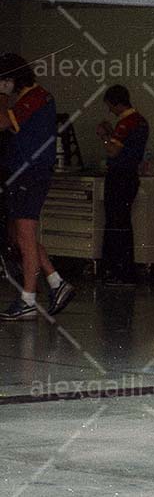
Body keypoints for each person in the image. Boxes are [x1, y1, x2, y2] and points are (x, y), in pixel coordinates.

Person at [0, 53, 74, 320]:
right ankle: (56, 282)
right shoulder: (28, 98)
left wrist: (2, 96)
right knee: (21, 235)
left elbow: (2, 122)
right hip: (21, 172)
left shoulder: (35, 97)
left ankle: (29, 298)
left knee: (25, 235)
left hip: (31, 173)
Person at [96, 84, 149, 285]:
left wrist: (103, 135)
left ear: (116, 103)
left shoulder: (126, 122)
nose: (110, 110)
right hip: (131, 177)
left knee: (116, 224)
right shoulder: (141, 121)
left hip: (119, 177)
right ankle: (124, 271)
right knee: (123, 223)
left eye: (110, 105)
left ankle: (119, 272)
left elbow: (113, 151)